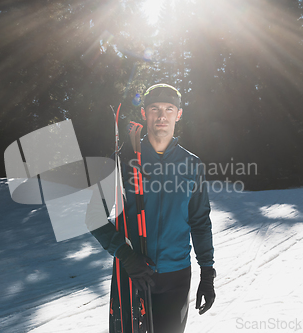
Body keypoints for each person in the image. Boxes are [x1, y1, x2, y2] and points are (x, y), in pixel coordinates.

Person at [86, 83, 215, 333]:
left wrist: (207, 273)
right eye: (154, 108)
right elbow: (93, 217)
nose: (162, 115)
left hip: (176, 277)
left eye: (169, 109)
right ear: (144, 113)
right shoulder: (122, 160)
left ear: (178, 115)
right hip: (133, 274)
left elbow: (200, 222)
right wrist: (125, 255)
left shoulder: (192, 165)